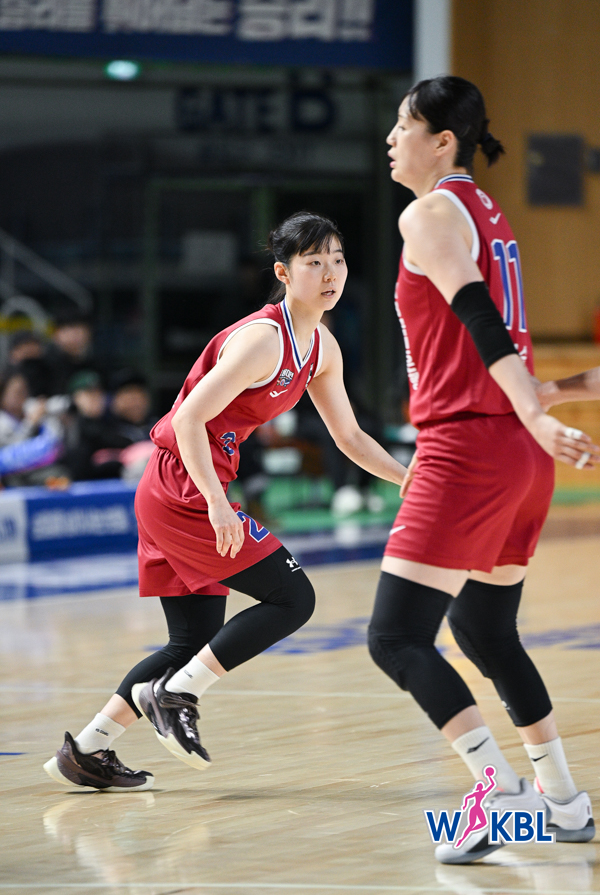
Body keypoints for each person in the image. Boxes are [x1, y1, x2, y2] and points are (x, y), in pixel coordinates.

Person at [43, 212, 408, 792]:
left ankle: (86, 750)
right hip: (183, 486)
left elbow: (350, 438)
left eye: (337, 260)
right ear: (283, 273)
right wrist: (215, 501)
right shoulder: (263, 339)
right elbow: (188, 418)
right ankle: (177, 695)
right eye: (314, 262)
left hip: (182, 486)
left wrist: (408, 480)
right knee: (293, 597)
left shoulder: (321, 348)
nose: (330, 274)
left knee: (191, 642)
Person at [366, 76, 597, 865]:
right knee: (484, 630)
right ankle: (562, 802)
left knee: (396, 636)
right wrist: (551, 400)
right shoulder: (489, 213)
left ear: (442, 140)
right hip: (516, 454)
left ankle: (498, 795)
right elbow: (493, 340)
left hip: (470, 445)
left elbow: (479, 318)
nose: (390, 138)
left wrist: (536, 410)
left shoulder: (430, 214)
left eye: (402, 125)